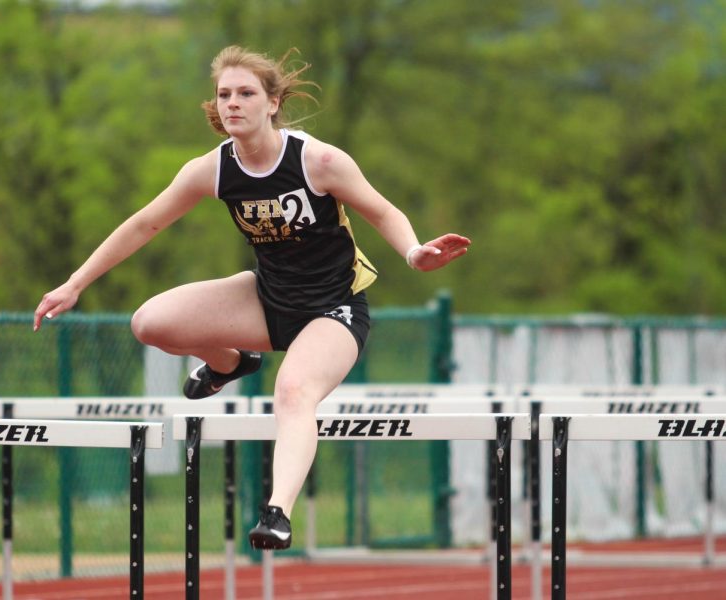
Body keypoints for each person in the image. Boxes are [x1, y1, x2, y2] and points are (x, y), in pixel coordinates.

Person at [33, 45, 470, 550]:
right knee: (149, 323)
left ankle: (277, 512)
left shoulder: (319, 161)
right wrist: (75, 282)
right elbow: (144, 223)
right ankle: (230, 363)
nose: (232, 104)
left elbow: (383, 211)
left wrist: (415, 253)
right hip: (267, 299)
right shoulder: (212, 170)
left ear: (273, 103)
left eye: (245, 93)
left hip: (334, 309)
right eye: (223, 95)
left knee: (292, 392)